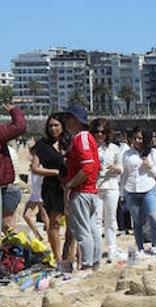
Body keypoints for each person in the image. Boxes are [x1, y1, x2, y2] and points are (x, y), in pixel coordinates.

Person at [60, 103, 103, 273]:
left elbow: (88, 167)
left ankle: (87, 264)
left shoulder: (81, 138)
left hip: (82, 191)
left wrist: (70, 184)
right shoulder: (88, 138)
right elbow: (95, 166)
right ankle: (95, 264)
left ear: (76, 120)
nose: (66, 122)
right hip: (90, 190)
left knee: (83, 230)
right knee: (92, 229)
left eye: (69, 118)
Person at [120, 126, 156, 257]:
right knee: (137, 220)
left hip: (149, 187)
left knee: (154, 217)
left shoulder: (153, 153)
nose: (138, 141)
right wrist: (122, 193)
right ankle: (140, 247)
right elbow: (124, 174)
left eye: (141, 138)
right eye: (135, 138)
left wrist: (150, 167)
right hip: (131, 189)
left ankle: (155, 244)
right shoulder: (127, 154)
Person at [31, 115, 68, 263]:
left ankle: (69, 255)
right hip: (51, 187)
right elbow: (34, 168)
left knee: (72, 223)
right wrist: (55, 172)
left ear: (62, 126)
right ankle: (57, 257)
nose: (53, 128)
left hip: (70, 186)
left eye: (56, 125)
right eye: (50, 126)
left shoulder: (68, 143)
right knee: (55, 222)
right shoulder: (42, 144)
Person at [92, 118, 123, 263]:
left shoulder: (114, 149)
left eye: (103, 132)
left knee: (111, 219)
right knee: (97, 220)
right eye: (97, 132)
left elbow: (121, 168)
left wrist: (115, 168)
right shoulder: (91, 148)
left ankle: (112, 248)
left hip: (111, 186)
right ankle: (97, 250)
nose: (100, 135)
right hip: (96, 187)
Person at [0, 101, 27, 231]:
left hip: (7, 185)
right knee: (8, 226)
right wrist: (14, 110)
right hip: (5, 183)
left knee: (7, 224)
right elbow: (20, 126)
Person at [23, 145, 48, 239]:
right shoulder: (33, 166)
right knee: (26, 215)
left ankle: (50, 237)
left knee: (45, 217)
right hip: (34, 194)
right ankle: (38, 235)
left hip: (41, 194)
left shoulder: (40, 166)